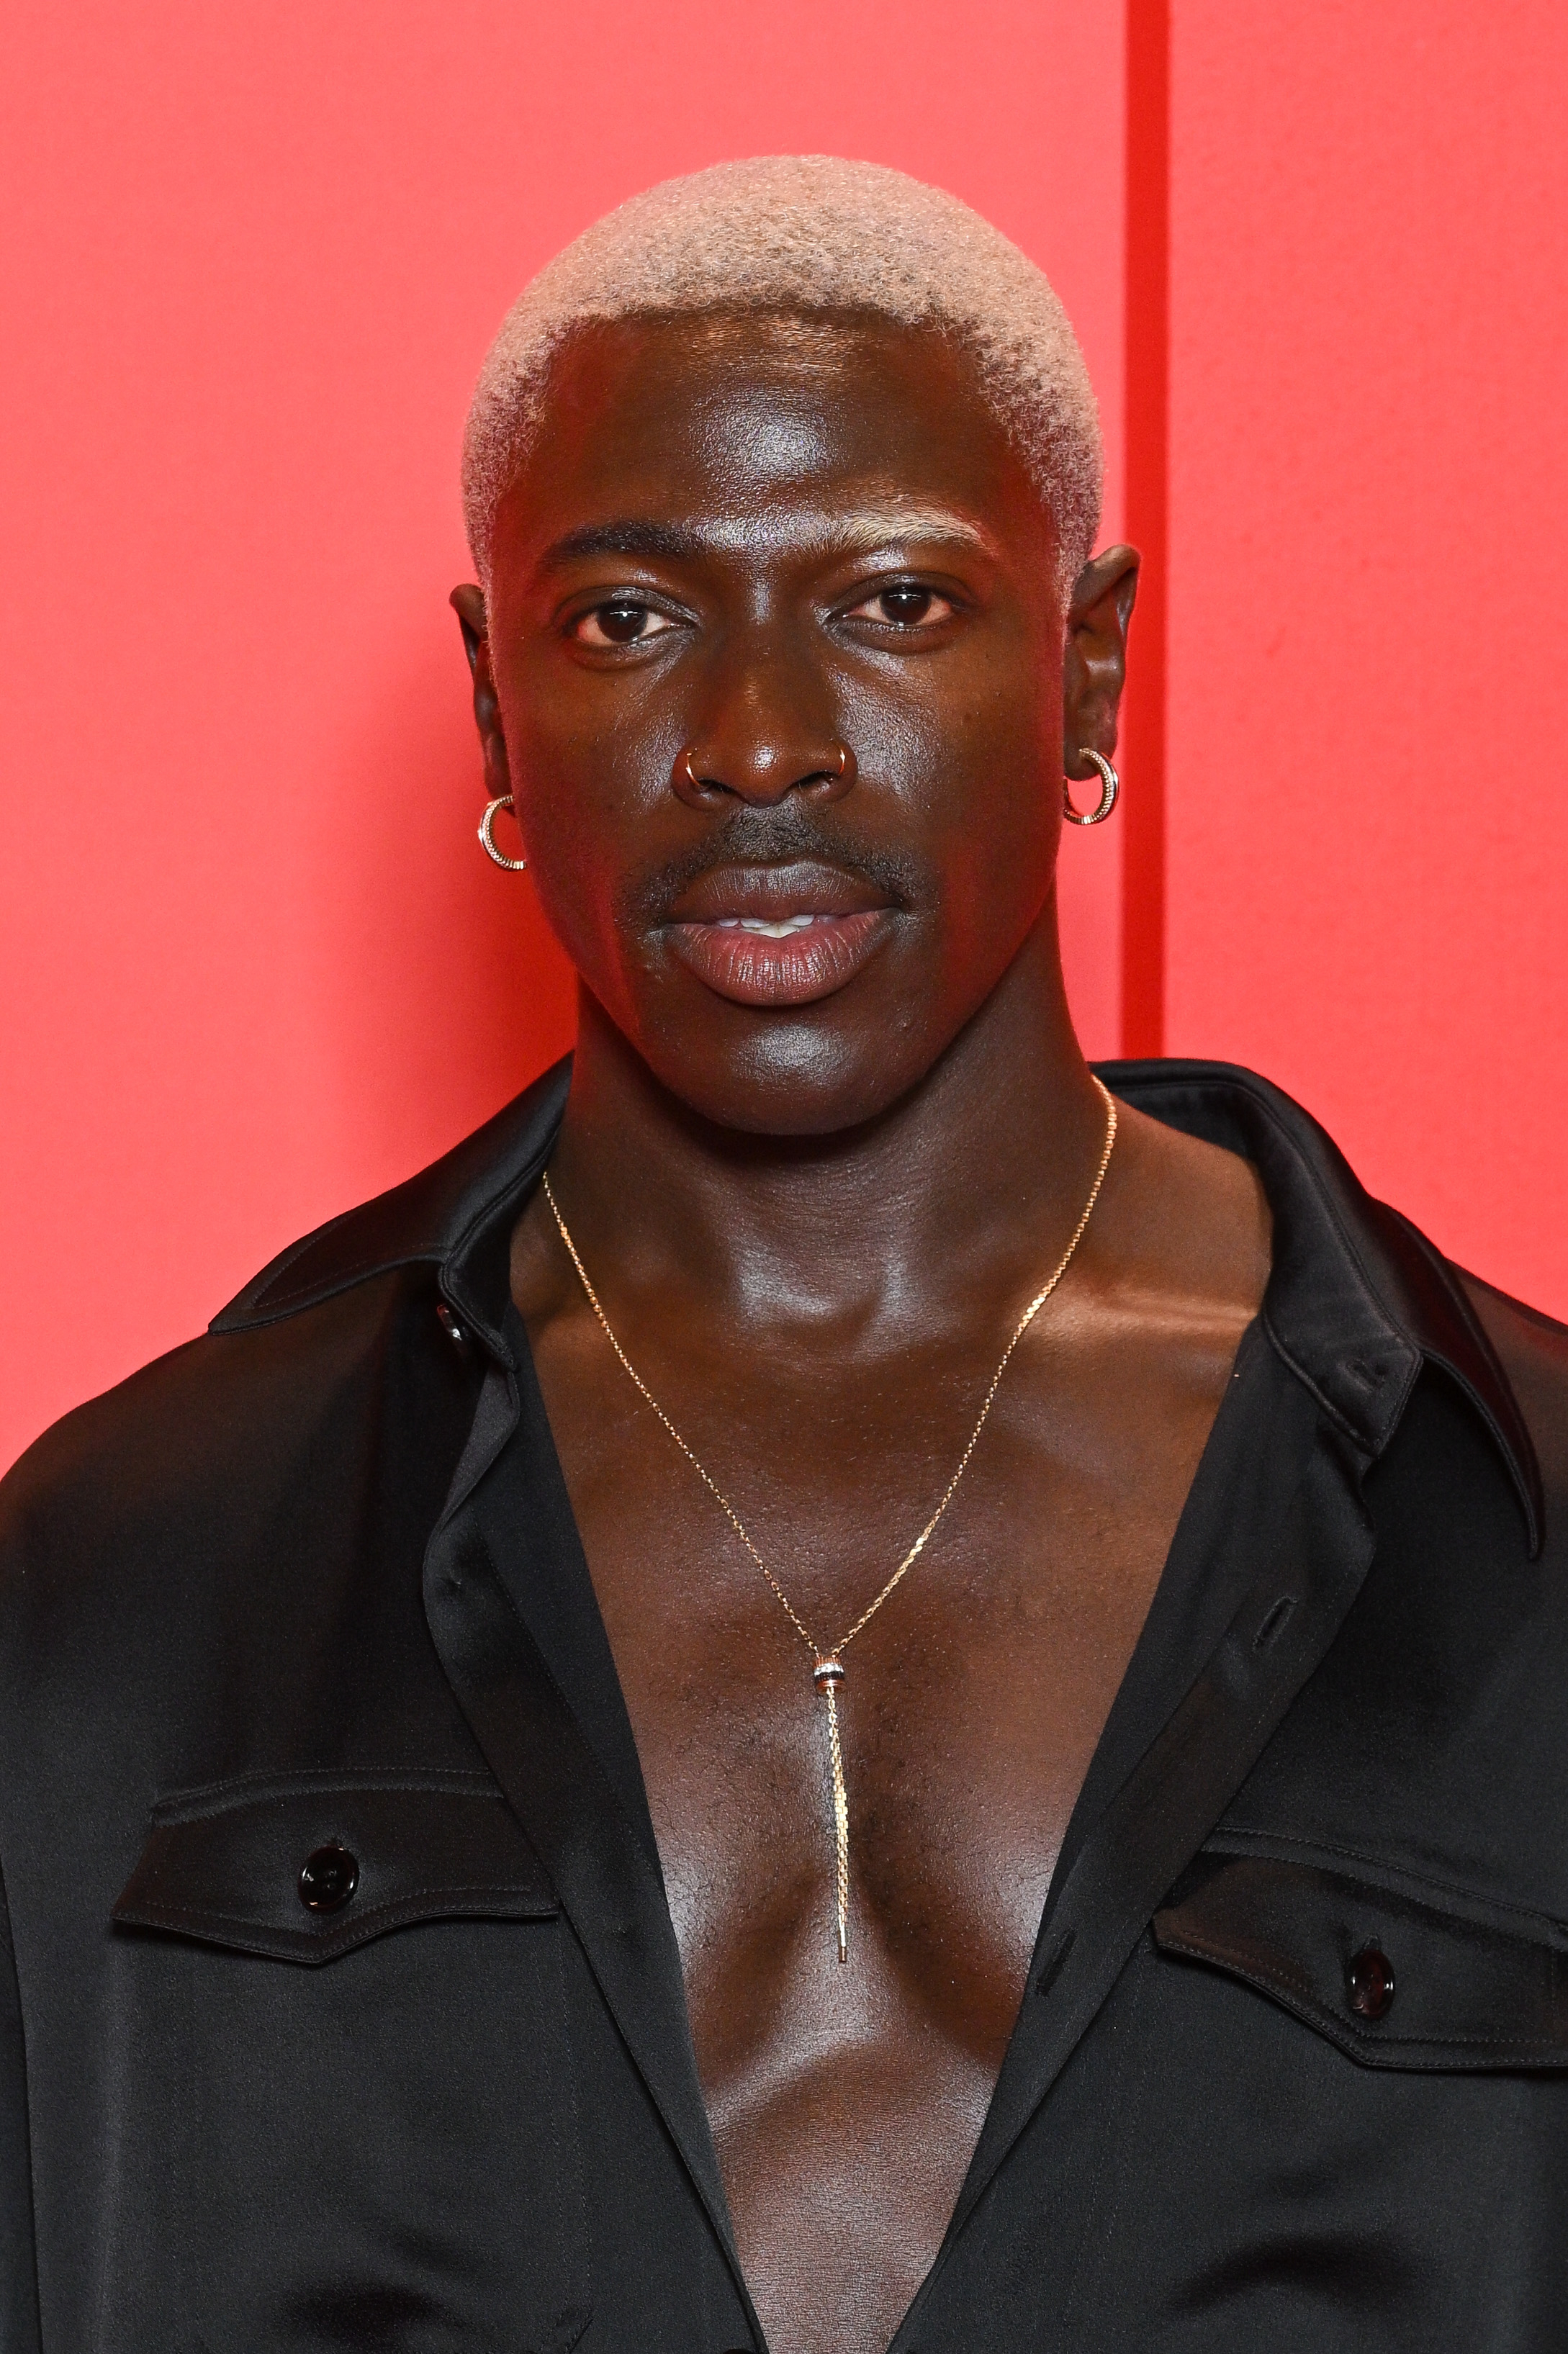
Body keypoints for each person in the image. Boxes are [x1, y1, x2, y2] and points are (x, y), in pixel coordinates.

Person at [2, 155, 1567, 2354]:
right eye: (628, 619)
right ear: (492, 707)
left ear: (1091, 669)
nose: (755, 745)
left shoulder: (1527, 1536)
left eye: (894, 603)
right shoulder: (127, 1574)